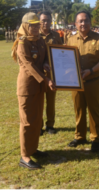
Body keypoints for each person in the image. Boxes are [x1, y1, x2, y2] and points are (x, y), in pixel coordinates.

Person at [11, 12, 56, 170]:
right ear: (25, 26)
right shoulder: (22, 43)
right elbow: (28, 65)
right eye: (32, 25)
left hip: (39, 87)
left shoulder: (41, 41)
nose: (36, 28)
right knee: (27, 121)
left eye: (38, 25)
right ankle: (25, 156)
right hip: (27, 87)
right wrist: (46, 79)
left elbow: (44, 57)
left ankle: (33, 149)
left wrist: (45, 64)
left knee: (37, 120)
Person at [67, 11, 99, 152]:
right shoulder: (70, 39)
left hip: (94, 80)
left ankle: (95, 138)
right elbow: (65, 59)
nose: (83, 23)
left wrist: (91, 71)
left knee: (94, 110)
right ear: (75, 24)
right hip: (76, 82)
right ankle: (80, 136)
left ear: (90, 22)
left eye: (86, 20)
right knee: (79, 109)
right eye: (80, 21)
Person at [39, 11, 63, 135]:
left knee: (51, 101)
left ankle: (50, 125)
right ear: (39, 22)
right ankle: (39, 126)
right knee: (39, 101)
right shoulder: (35, 36)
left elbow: (61, 51)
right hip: (38, 74)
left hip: (53, 73)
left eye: (48, 20)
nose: (45, 23)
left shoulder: (56, 36)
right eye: (43, 20)